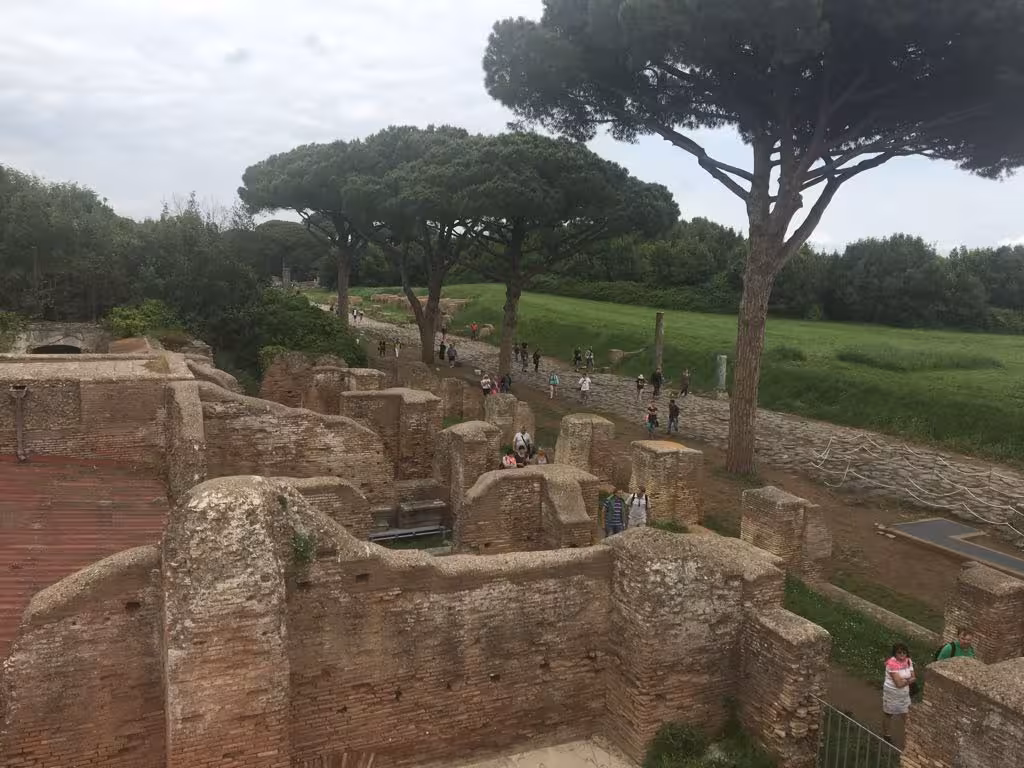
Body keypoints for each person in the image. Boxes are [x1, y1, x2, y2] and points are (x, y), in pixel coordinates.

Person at [882, 643, 916, 744]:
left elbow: (914, 677)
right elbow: (898, 684)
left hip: (904, 694)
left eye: (904, 652)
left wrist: (904, 681)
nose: (902, 654)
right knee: (888, 714)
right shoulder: (891, 664)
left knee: (906, 714)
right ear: (895, 653)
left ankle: (909, 736)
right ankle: (886, 734)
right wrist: (907, 680)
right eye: (899, 652)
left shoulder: (908, 661)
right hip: (892, 693)